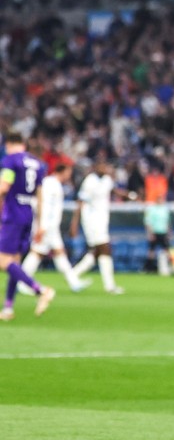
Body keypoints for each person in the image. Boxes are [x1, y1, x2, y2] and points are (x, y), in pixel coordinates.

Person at [0, 130, 56, 321]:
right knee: (14, 262)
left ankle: (40, 290)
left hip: (12, 215)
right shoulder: (37, 164)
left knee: (3, 261)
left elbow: (3, 187)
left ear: (8, 144)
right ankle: (8, 308)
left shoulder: (11, 161)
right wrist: (41, 224)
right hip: (28, 215)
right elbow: (40, 196)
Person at [20, 163, 89, 292]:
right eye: (68, 172)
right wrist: (42, 226)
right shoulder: (50, 184)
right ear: (62, 171)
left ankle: (74, 282)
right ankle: (22, 282)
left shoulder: (55, 184)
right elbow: (43, 205)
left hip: (51, 226)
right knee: (37, 253)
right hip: (46, 226)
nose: (69, 175)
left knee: (59, 253)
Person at [69, 161, 126, 294]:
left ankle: (72, 275)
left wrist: (128, 195)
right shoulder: (90, 181)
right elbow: (81, 201)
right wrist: (74, 223)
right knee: (105, 248)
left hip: (102, 219)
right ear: (95, 168)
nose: (103, 168)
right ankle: (109, 286)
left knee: (96, 252)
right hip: (91, 220)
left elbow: (113, 190)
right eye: (101, 166)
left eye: (105, 166)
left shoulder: (107, 180)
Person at [144, 196, 174, 277]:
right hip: (155, 232)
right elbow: (148, 222)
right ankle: (149, 268)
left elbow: (168, 222)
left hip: (163, 232)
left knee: (167, 250)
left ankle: (170, 267)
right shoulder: (151, 209)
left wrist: (169, 232)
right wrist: (150, 233)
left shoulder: (165, 209)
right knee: (151, 251)